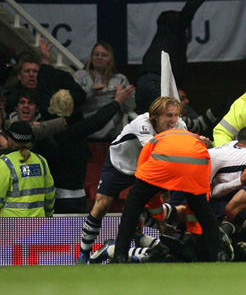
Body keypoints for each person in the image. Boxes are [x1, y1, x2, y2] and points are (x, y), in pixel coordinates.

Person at [75, 96, 186, 264]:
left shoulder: (179, 125)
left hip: (144, 166)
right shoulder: (142, 124)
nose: (174, 120)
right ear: (155, 117)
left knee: (146, 201)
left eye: (176, 115)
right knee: (101, 205)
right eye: (169, 115)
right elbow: (156, 151)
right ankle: (84, 254)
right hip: (120, 164)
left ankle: (136, 237)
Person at [112, 129, 227, 263]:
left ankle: (120, 255)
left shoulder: (159, 138)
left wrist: (160, 220)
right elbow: (200, 198)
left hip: (162, 164)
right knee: (202, 208)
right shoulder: (200, 147)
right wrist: (194, 231)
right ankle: (220, 254)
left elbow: (144, 179)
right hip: (195, 166)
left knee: (134, 203)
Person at [36, 87, 134, 214]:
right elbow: (98, 120)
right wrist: (117, 102)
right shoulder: (76, 130)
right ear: (71, 107)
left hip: (53, 196)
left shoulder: (42, 131)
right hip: (74, 197)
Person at [135, 0, 212, 114]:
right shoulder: (173, 31)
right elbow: (189, 9)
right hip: (156, 83)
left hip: (143, 85)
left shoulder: (161, 40)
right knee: (183, 119)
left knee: (150, 123)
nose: (186, 30)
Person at [73, 42, 136, 141]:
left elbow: (131, 106)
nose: (99, 57)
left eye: (104, 55)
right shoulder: (80, 76)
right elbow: (72, 102)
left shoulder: (120, 79)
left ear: (110, 59)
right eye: (96, 54)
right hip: (85, 131)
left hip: (112, 135)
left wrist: (123, 96)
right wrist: (91, 91)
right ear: (91, 57)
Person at [4, 42, 86, 117]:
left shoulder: (49, 87)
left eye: (35, 71)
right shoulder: (11, 94)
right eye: (27, 71)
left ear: (41, 74)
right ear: (19, 76)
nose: (31, 75)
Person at [0, 121, 55, 217]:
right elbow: (49, 193)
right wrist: (49, 213)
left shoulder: (4, 163)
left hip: (11, 223)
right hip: (38, 221)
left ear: (10, 140)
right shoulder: (41, 161)